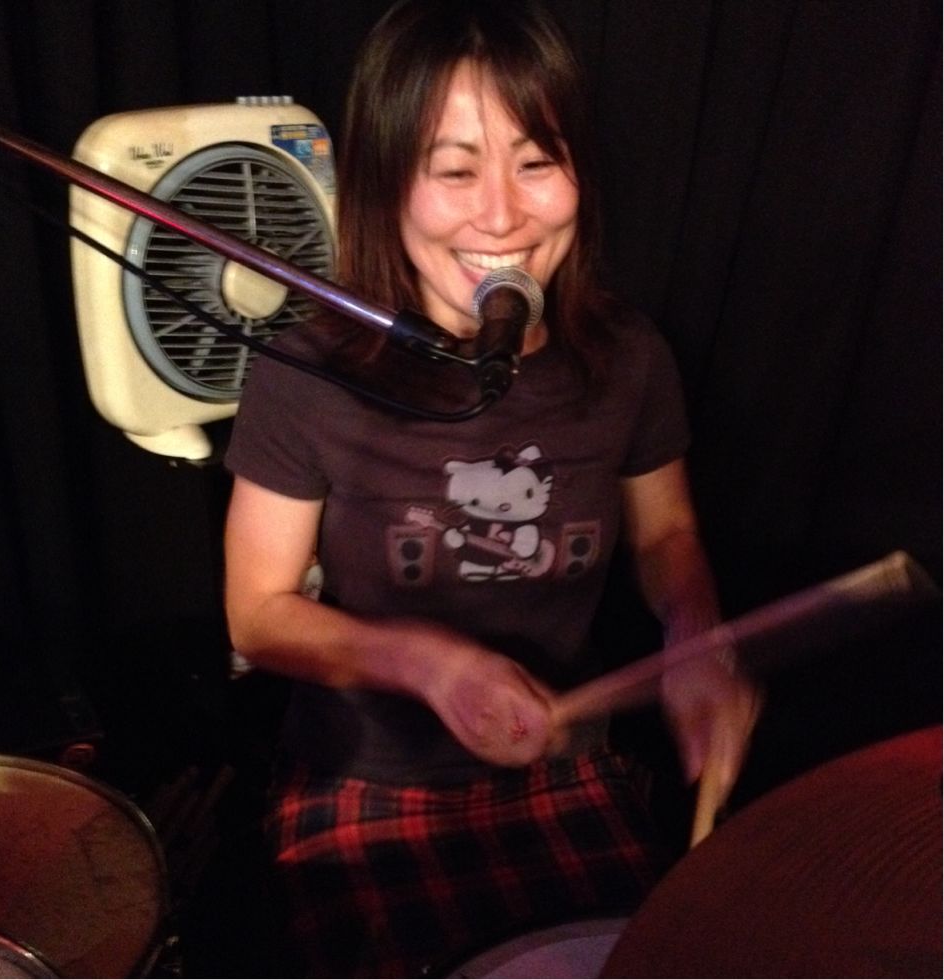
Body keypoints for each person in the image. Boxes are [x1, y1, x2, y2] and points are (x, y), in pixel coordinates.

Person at [223, 0, 760, 975]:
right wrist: (431, 664)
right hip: (365, 776)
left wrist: (695, 636)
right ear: (386, 183)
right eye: (455, 168)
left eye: (536, 162)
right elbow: (258, 615)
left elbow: (666, 536)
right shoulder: (308, 368)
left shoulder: (628, 358)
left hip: (562, 762)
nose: (503, 215)